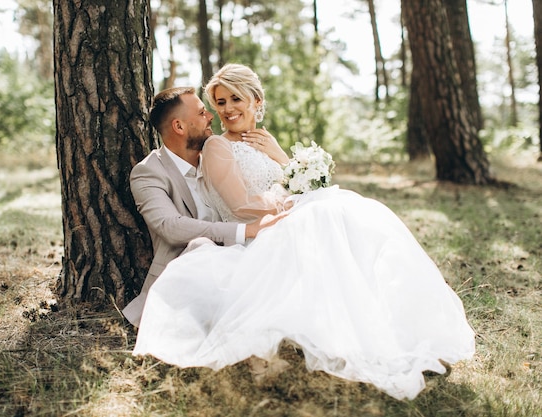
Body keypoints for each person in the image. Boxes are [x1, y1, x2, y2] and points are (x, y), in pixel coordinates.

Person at [132, 65, 476, 400]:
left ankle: (391, 327)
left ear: (257, 101)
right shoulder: (213, 148)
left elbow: (293, 180)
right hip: (255, 229)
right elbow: (240, 207)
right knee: (328, 215)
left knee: (349, 214)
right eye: (219, 103)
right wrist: (288, 203)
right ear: (181, 123)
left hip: (273, 219)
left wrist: (281, 158)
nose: (222, 111)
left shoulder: (263, 140)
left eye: (234, 99)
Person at [122, 86, 287, 327]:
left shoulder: (221, 156)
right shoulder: (149, 172)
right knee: (202, 246)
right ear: (179, 127)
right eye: (201, 113)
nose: (211, 116)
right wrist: (246, 230)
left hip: (243, 251)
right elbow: (170, 226)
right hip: (192, 267)